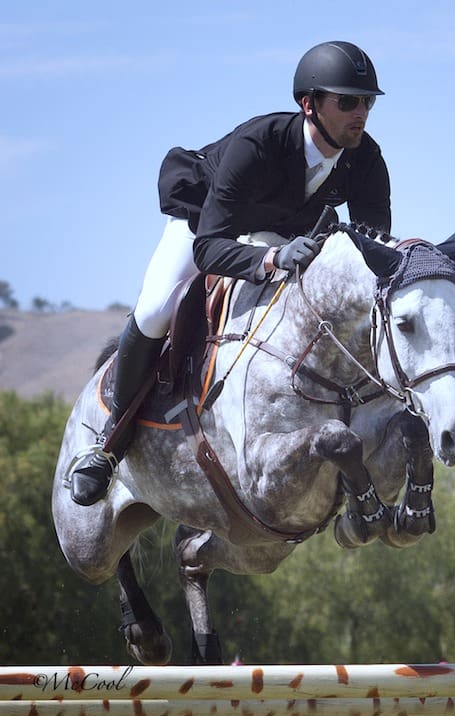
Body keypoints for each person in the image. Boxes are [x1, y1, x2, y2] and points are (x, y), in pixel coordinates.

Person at [70, 40, 392, 507]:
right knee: (158, 308)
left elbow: (372, 249)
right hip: (205, 221)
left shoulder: (366, 158)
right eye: (347, 102)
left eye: (366, 102)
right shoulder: (257, 145)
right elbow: (208, 246)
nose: (360, 113)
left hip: (278, 231)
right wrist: (272, 259)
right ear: (309, 105)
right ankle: (108, 444)